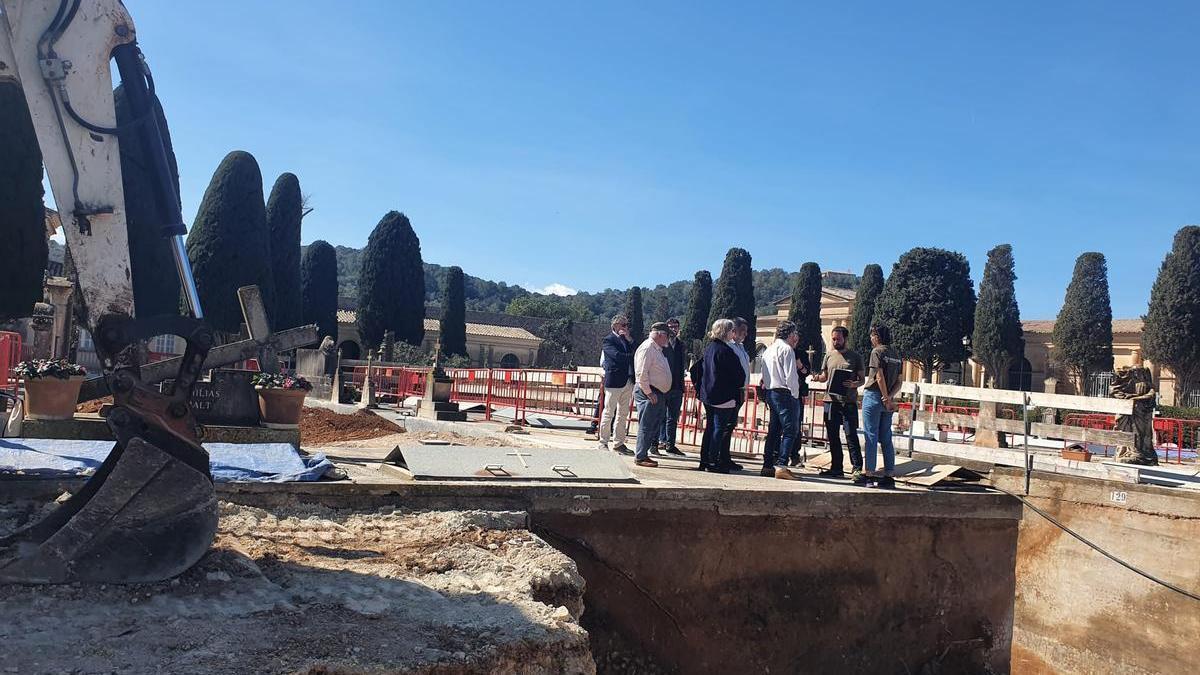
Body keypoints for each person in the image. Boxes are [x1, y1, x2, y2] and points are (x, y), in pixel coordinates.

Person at [811, 325, 864, 478]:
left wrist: (854, 384)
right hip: (830, 401)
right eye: (833, 339)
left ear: (845, 339)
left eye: (838, 339)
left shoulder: (855, 357)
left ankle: (857, 468)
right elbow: (824, 376)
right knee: (832, 436)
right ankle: (836, 468)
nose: (835, 342)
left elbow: (861, 379)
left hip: (848, 402)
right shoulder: (828, 356)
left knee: (850, 435)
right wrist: (816, 378)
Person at [697, 319, 745, 473]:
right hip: (723, 395)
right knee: (719, 428)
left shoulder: (710, 348)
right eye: (732, 330)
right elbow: (738, 375)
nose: (734, 333)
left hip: (709, 394)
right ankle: (713, 461)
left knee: (710, 428)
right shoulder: (725, 351)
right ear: (727, 332)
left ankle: (704, 460)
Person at [860, 324, 904, 488]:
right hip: (888, 399)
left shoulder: (877, 352)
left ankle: (869, 475)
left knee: (870, 436)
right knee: (886, 437)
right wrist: (890, 398)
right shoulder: (897, 355)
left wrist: (884, 397)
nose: (871, 338)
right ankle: (889, 475)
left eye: (872, 335)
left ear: (877, 336)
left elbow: (879, 377)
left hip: (874, 396)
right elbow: (900, 381)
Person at [759, 321, 801, 480]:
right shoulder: (787, 349)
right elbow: (790, 375)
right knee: (790, 430)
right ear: (790, 334)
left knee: (774, 429)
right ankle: (782, 465)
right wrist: (795, 395)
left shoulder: (768, 350)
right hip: (784, 393)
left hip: (771, 391)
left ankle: (767, 464)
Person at [632, 323, 673, 467]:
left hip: (656, 392)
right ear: (660, 334)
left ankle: (644, 454)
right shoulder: (648, 348)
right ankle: (641, 456)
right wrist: (649, 392)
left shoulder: (656, 349)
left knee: (652, 426)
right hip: (649, 392)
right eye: (667, 336)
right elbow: (641, 373)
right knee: (647, 425)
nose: (668, 339)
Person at [599, 315, 635, 455]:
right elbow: (616, 356)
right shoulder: (609, 340)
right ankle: (603, 442)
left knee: (623, 414)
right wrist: (631, 356)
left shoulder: (627, 340)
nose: (625, 328)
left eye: (627, 325)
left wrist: (629, 339)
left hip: (628, 381)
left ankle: (619, 443)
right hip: (614, 381)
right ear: (615, 326)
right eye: (623, 325)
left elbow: (635, 350)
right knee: (609, 412)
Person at [722, 317, 752, 472]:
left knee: (731, 424)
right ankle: (722, 457)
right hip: (733, 390)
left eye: (746, 331)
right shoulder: (729, 347)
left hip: (741, 390)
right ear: (734, 331)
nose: (745, 334)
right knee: (727, 425)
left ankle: (726, 456)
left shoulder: (741, 347)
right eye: (742, 331)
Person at [657, 317, 687, 457]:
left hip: (676, 386)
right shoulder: (661, 344)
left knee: (673, 418)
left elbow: (681, 366)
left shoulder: (681, 345)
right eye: (670, 326)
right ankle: (657, 442)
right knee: (660, 416)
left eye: (675, 326)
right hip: (663, 385)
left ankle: (670, 444)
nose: (673, 329)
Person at [788, 344, 813, 466]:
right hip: (782, 392)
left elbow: (807, 371)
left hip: (797, 394)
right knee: (778, 425)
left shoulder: (800, 354)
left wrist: (800, 365)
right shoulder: (780, 351)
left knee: (796, 426)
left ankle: (794, 456)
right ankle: (777, 454)